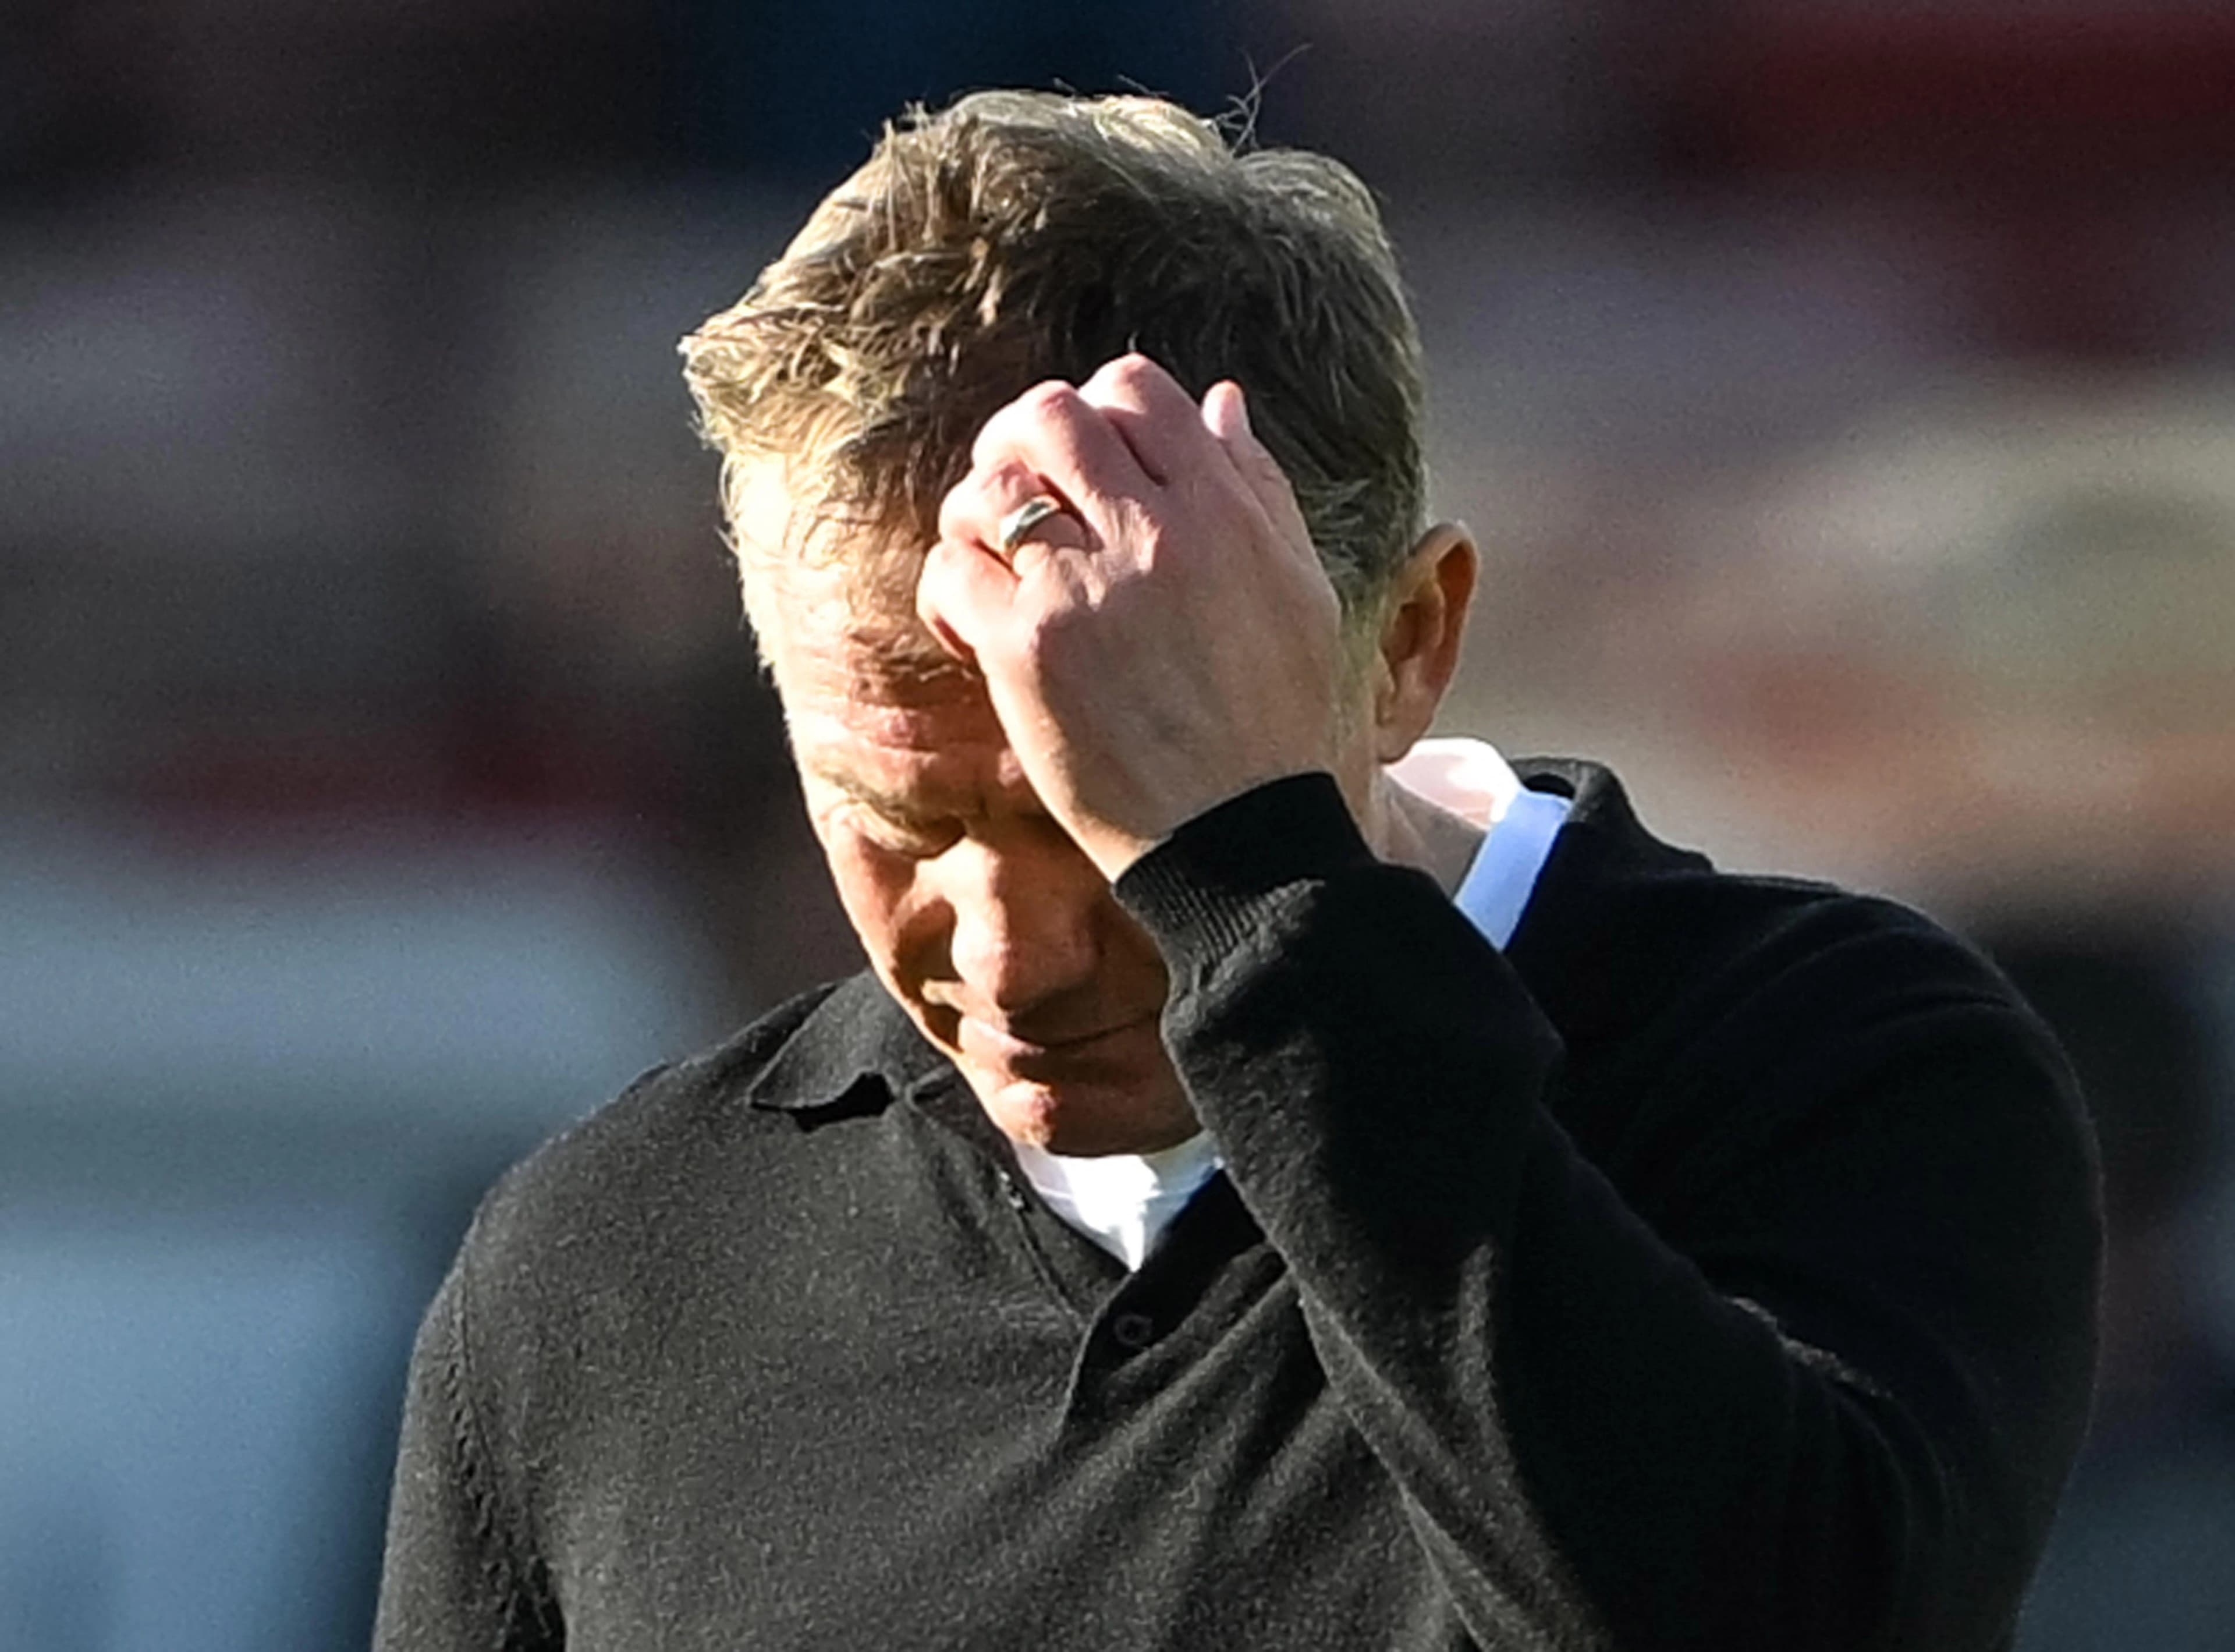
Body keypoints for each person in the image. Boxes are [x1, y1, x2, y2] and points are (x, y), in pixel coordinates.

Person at [372, 91, 2099, 1651]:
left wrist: (1251, 888)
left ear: (1407, 642)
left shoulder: (1838, 1069)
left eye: (1096, 821)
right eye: (894, 824)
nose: (1009, 954)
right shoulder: (611, 1266)